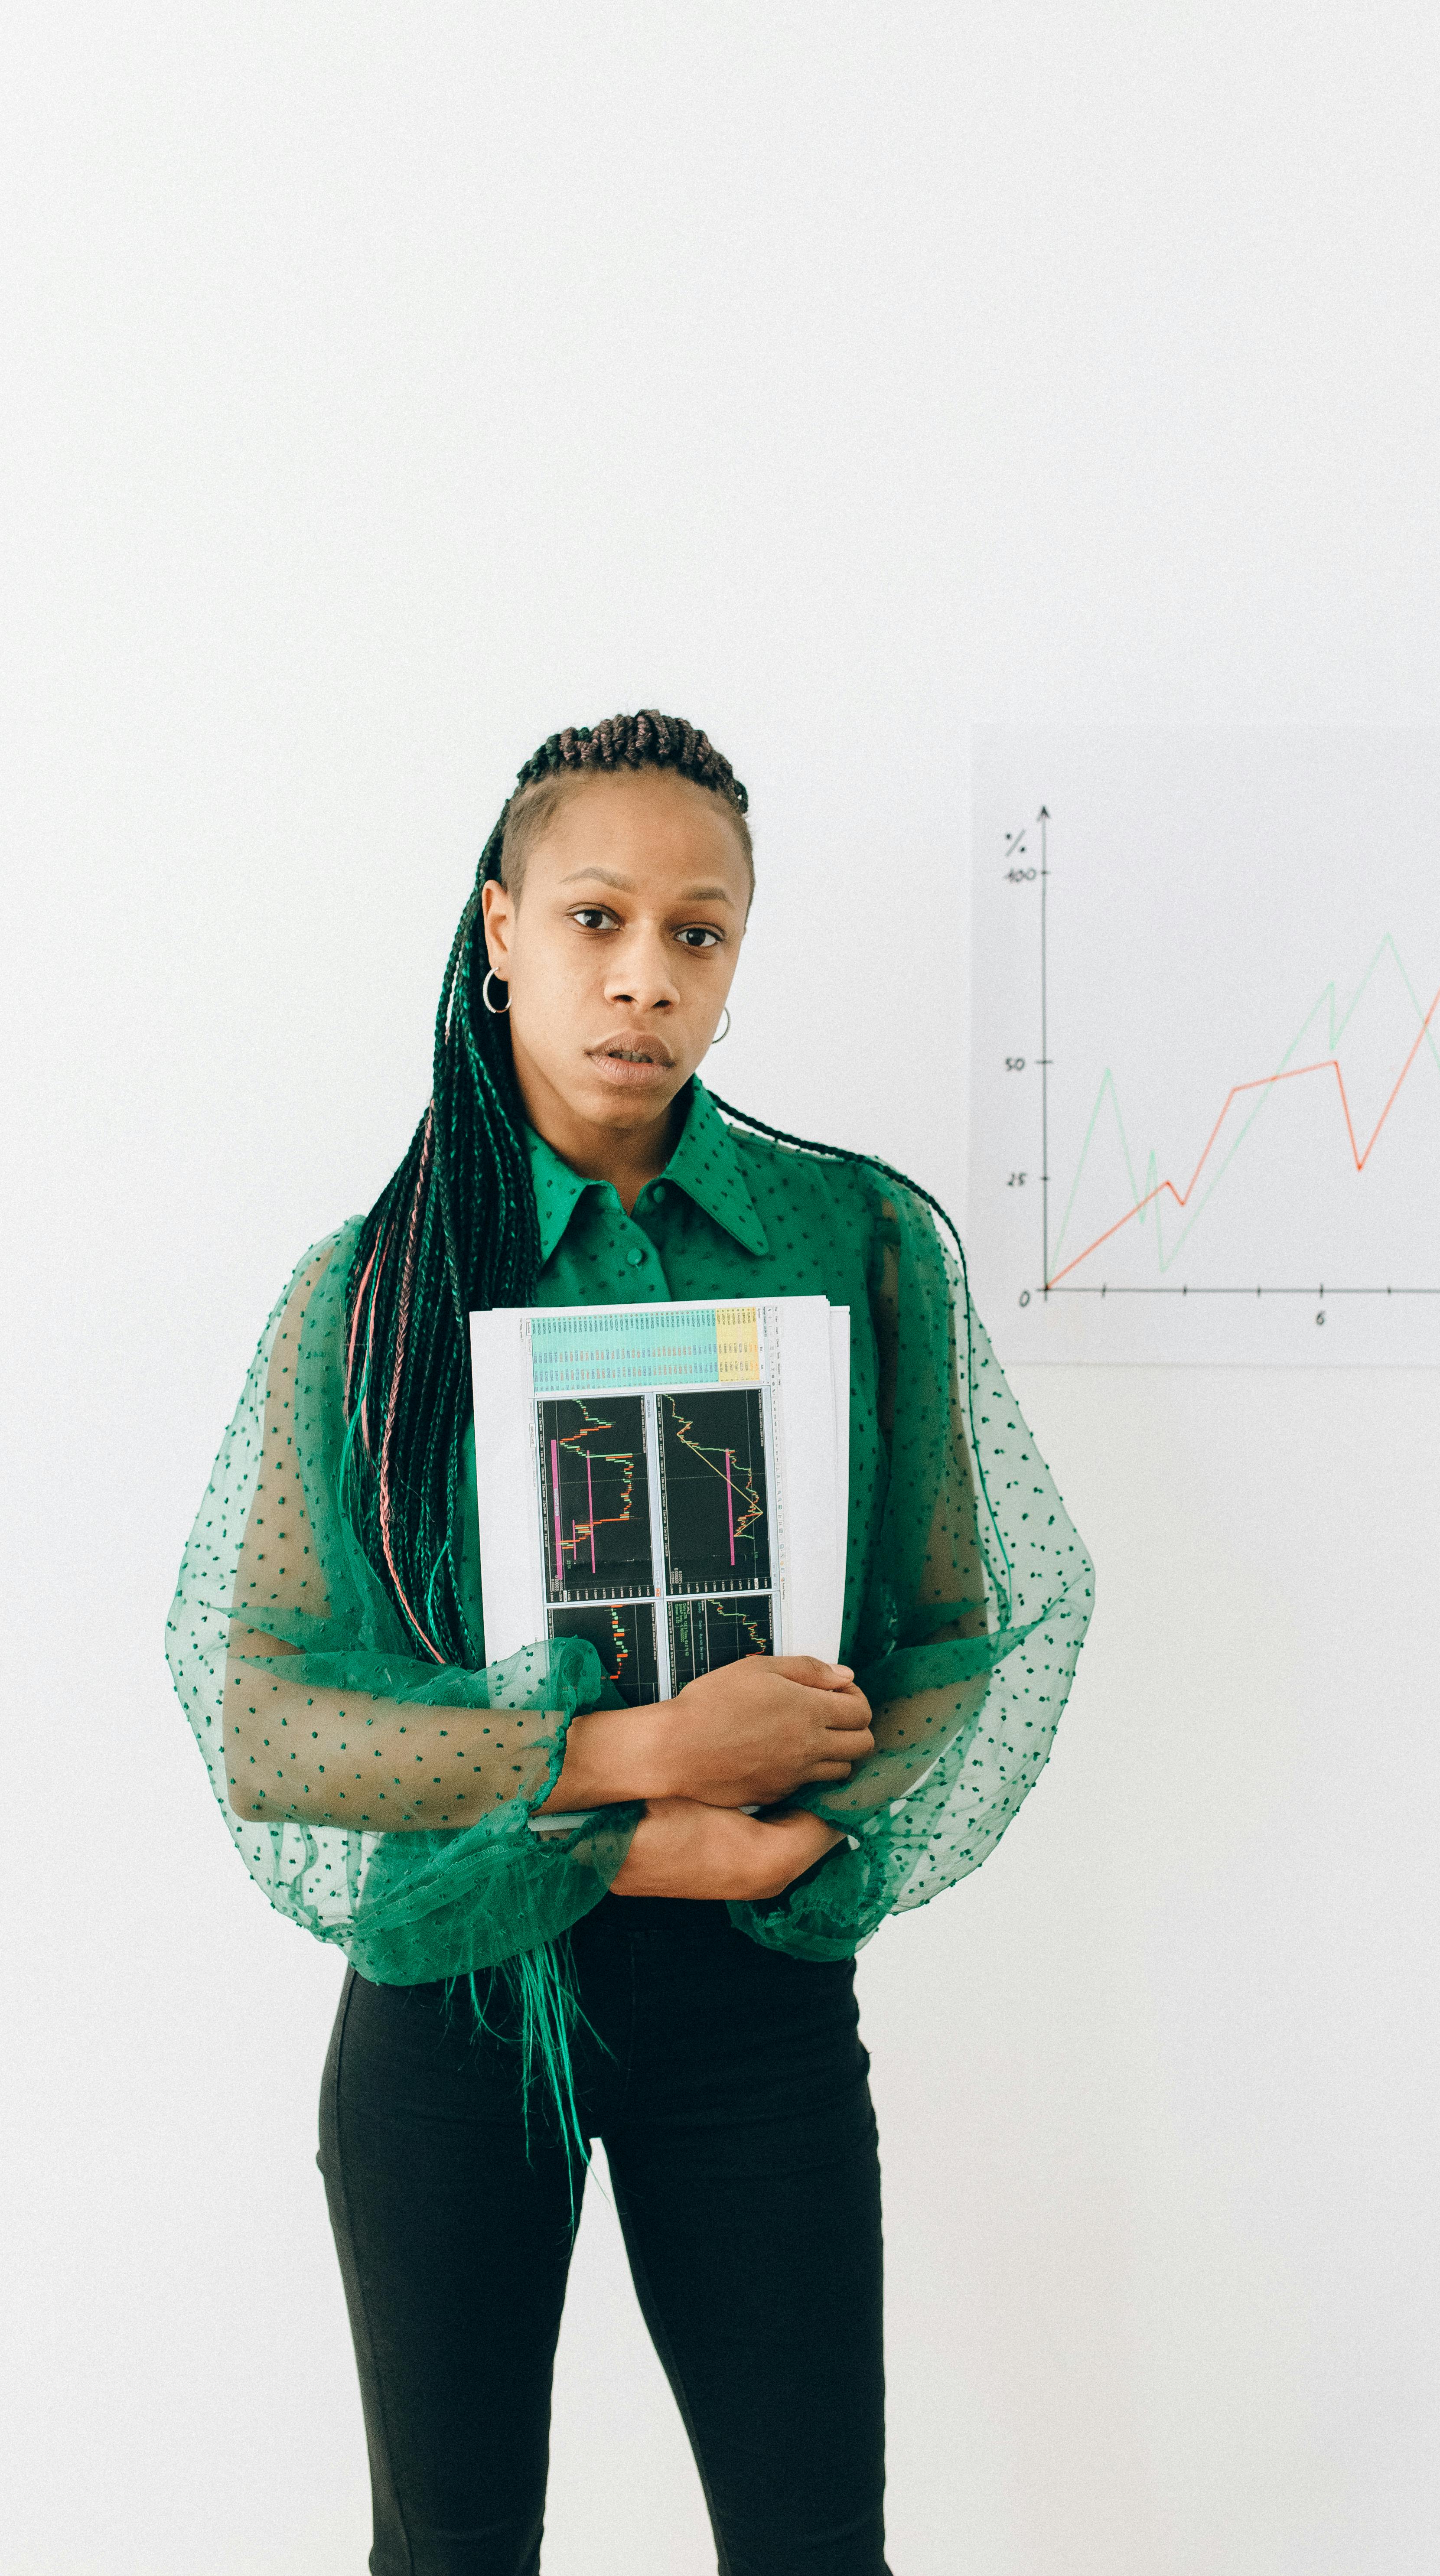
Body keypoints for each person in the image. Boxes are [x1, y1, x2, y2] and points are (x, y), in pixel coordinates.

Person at [167, 709, 1092, 2576]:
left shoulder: (858, 1247)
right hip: (452, 2010)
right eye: (594, 919)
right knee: (449, 2553)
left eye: (698, 932)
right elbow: (260, 1711)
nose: (641, 977)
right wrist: (637, 1779)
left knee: (815, 2545)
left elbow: (969, 1626)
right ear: (499, 927)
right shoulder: (369, 1294)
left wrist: (809, 1827)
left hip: (750, 1996)